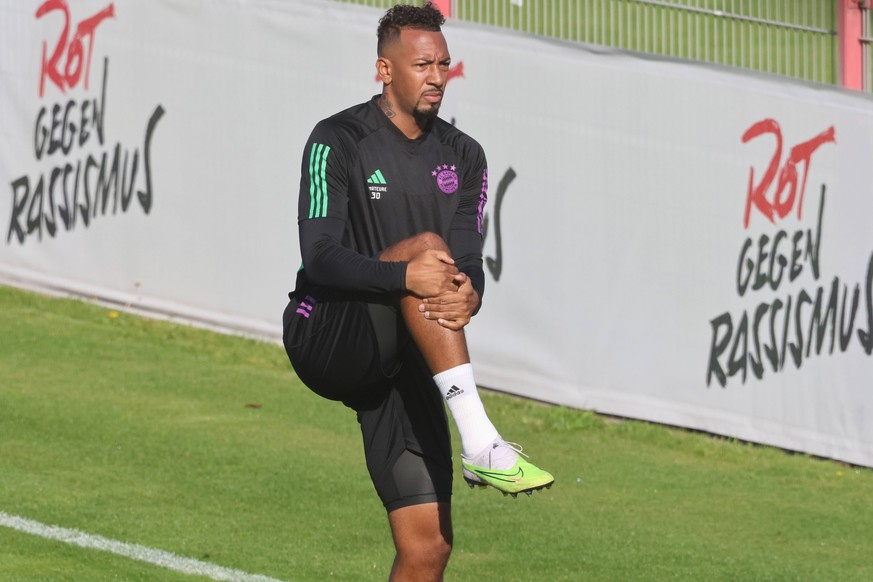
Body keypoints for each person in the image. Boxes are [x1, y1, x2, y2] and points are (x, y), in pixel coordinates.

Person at [282, 3, 554, 579]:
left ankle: (479, 445)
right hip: (328, 330)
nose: (437, 77)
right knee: (423, 248)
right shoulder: (336, 139)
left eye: (445, 65)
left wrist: (469, 292)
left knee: (429, 545)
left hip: (407, 348)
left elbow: (469, 257)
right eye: (423, 64)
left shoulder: (465, 155)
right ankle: (480, 442)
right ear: (384, 70)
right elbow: (320, 257)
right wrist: (407, 275)